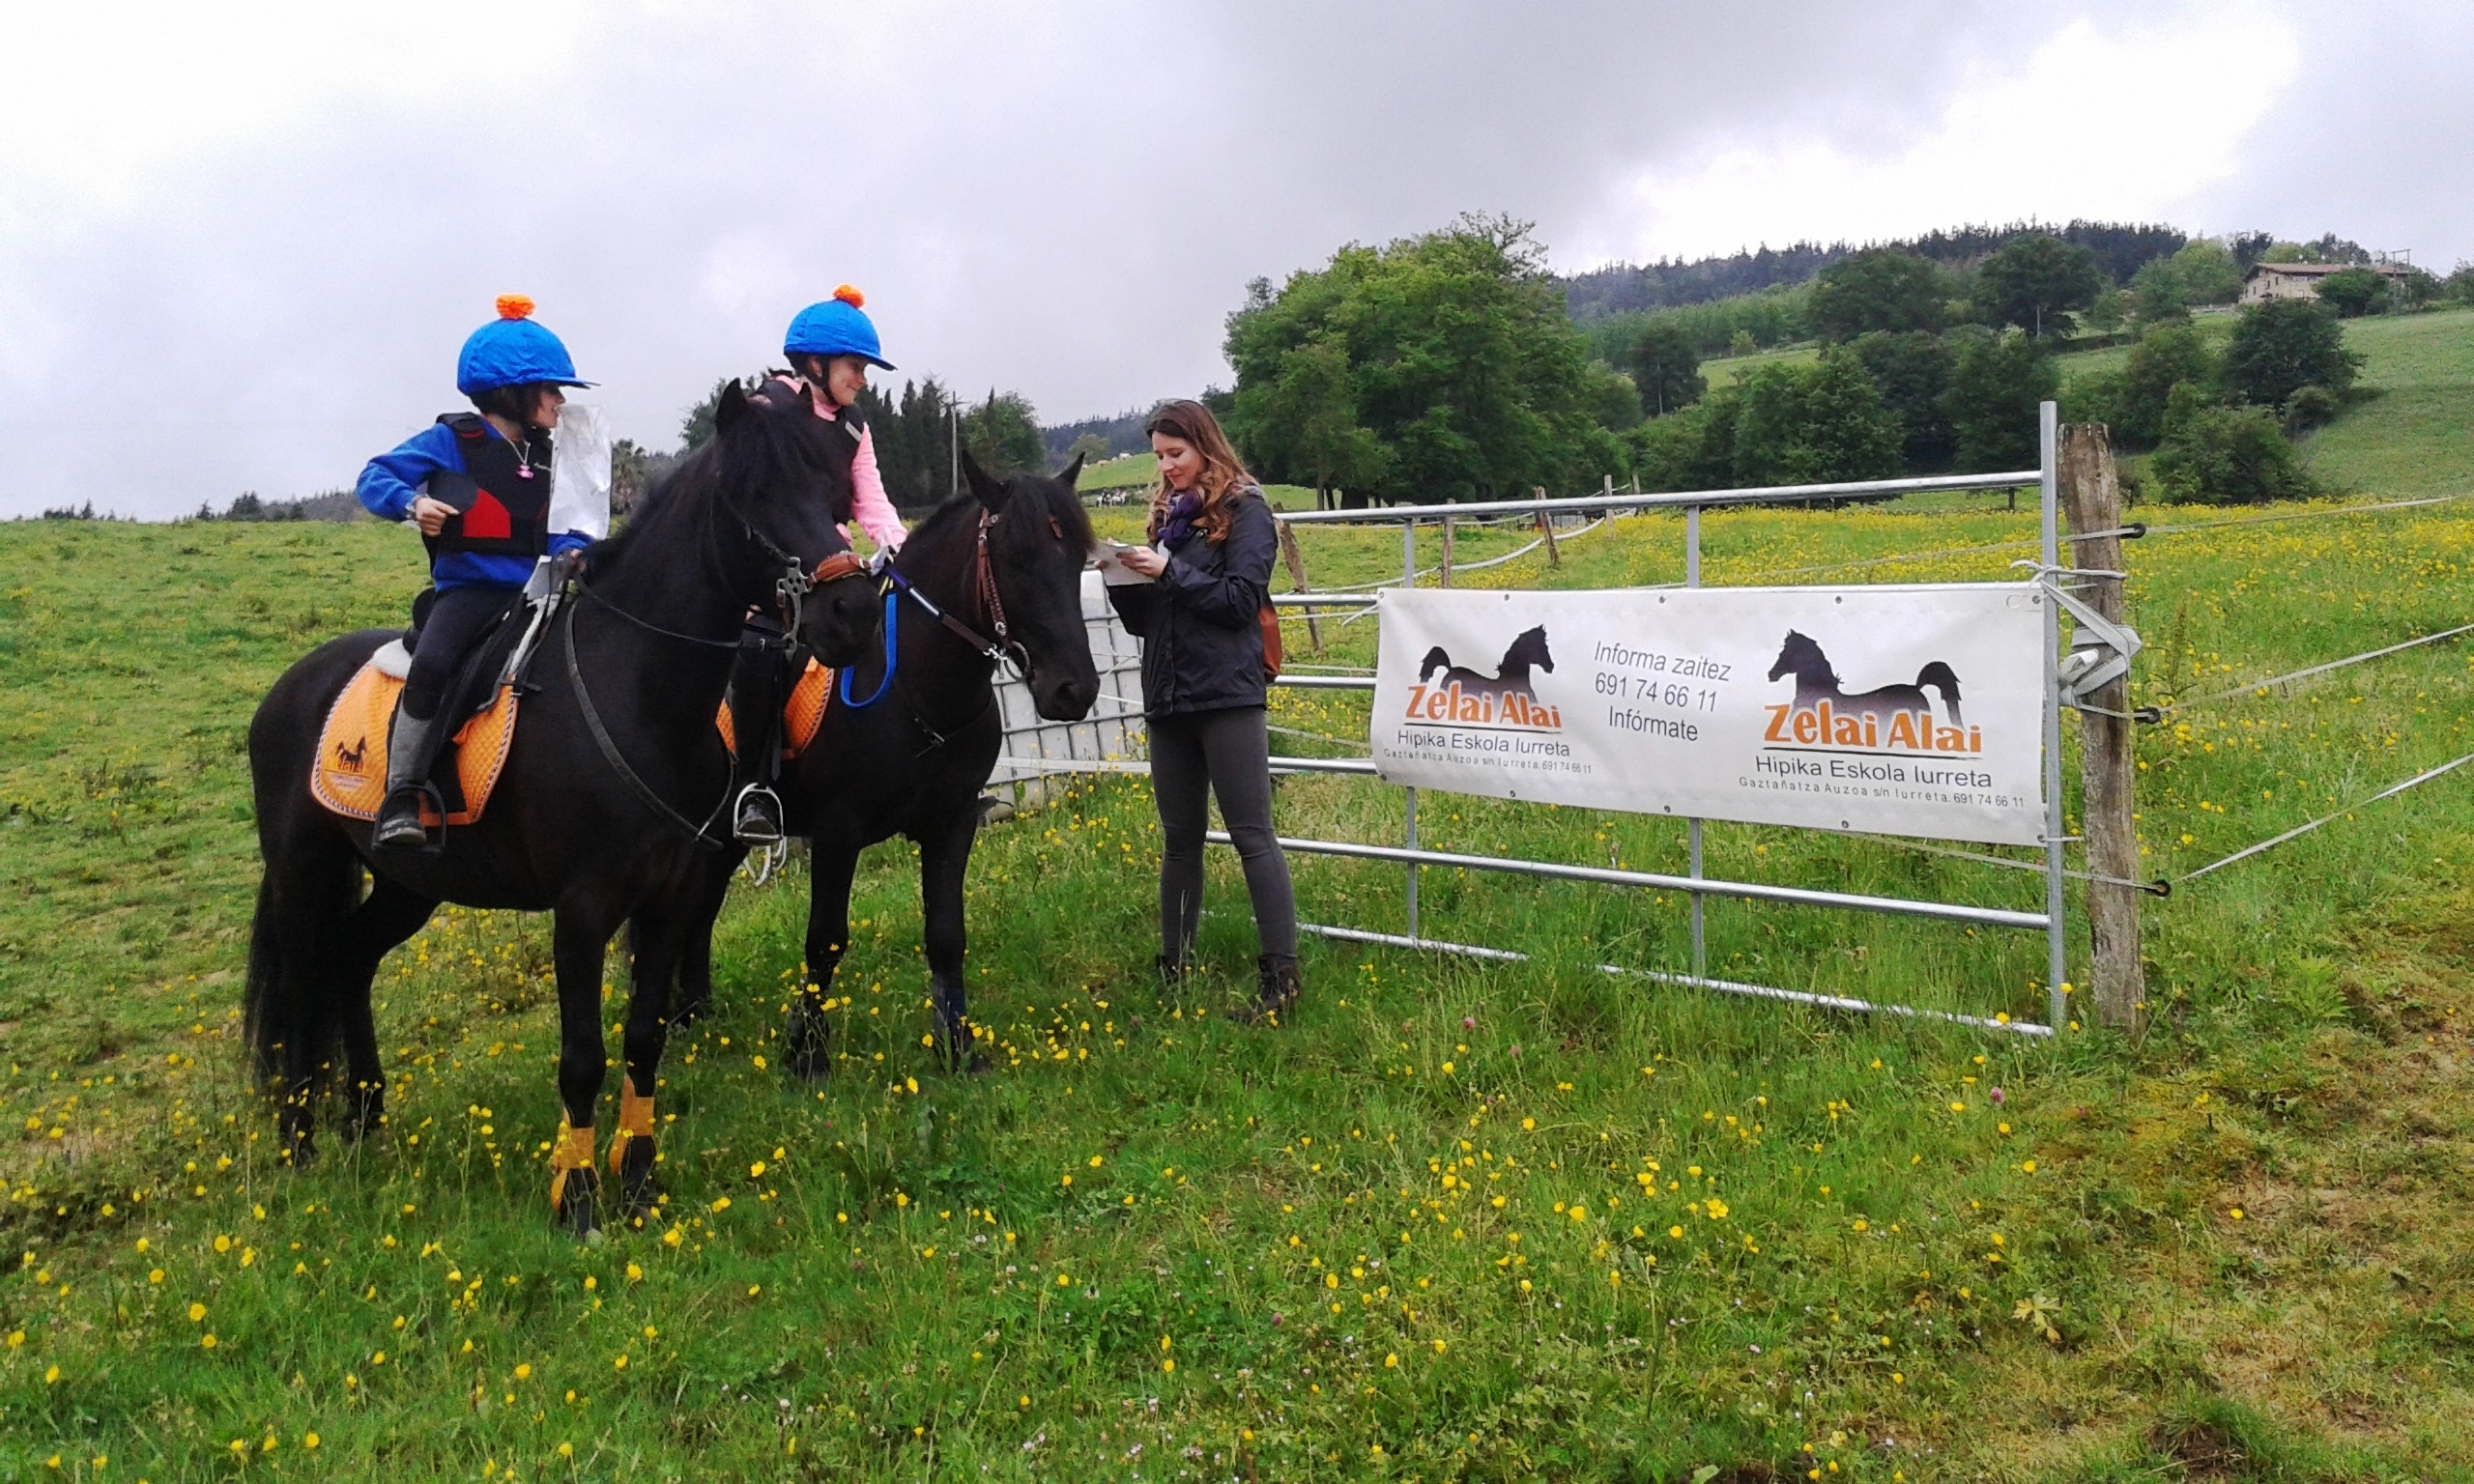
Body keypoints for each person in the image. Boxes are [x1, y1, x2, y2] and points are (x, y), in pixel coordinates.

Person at [355, 296, 598, 849]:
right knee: (436, 662)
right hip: (470, 595)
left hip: (542, 594)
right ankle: (402, 794)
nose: (560, 401)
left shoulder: (552, 456)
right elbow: (375, 476)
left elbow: (564, 526)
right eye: (551, 389)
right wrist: (411, 504)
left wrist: (576, 550)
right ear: (511, 392)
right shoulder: (450, 441)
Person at [1108, 399, 1301, 1022]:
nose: (1166, 469)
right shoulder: (1167, 521)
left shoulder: (1246, 511)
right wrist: (1122, 583)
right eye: (1159, 457)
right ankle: (1174, 968)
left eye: (1176, 454)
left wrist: (1168, 573)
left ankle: (1281, 979)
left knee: (1251, 835)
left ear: (1204, 447)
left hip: (1227, 694)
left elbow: (1240, 601)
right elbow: (1150, 622)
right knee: (1179, 839)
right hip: (1167, 696)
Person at [728, 285, 909, 842]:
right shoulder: (766, 412)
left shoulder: (857, 429)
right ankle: (755, 788)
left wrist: (902, 547)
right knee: (761, 650)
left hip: (830, 563)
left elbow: (870, 500)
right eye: (855, 367)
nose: (862, 379)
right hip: (773, 565)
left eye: (864, 369)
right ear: (815, 363)